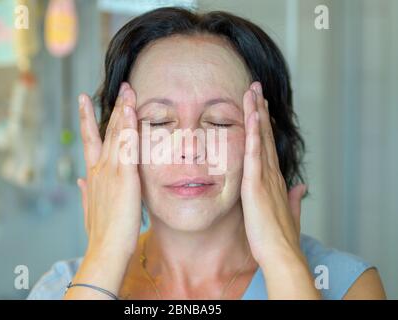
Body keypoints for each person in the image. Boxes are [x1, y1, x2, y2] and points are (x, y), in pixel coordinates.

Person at [28, 7, 386, 300]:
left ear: (267, 139)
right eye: (158, 121)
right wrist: (104, 256)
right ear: (117, 146)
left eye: (218, 122)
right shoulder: (63, 287)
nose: (189, 149)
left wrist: (282, 260)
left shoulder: (345, 285)